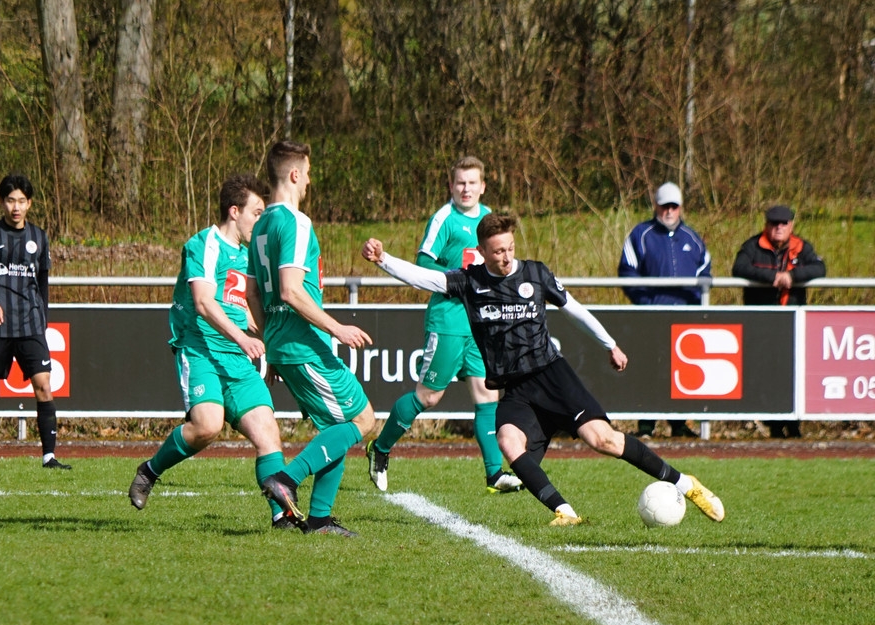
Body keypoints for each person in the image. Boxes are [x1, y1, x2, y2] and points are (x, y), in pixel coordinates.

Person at [362, 212, 725, 525]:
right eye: (498, 251)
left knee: (604, 440)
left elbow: (574, 308)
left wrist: (609, 343)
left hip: (552, 377)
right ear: (483, 251)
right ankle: (565, 511)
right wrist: (384, 260)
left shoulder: (535, 274)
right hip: (516, 389)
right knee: (507, 440)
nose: (506, 257)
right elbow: (422, 279)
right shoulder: (470, 281)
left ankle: (686, 484)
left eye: (510, 249)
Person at [127, 174, 301, 530]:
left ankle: (281, 516)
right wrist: (242, 339)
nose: (261, 219)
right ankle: (150, 470)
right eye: (256, 212)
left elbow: (250, 305)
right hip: (200, 348)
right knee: (207, 426)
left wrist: (272, 349)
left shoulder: (252, 256)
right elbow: (204, 304)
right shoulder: (204, 244)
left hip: (237, 356)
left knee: (268, 431)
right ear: (234, 212)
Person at [365, 156, 521, 495]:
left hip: (481, 324)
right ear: (451, 186)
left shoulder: (489, 219)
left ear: (483, 186)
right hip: (449, 320)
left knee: (487, 394)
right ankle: (380, 448)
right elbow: (423, 266)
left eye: (472, 183)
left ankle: (494, 474)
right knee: (429, 397)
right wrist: (459, 280)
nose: (466, 189)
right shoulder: (443, 219)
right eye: (460, 183)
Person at [245, 140, 376, 537]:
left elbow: (253, 295)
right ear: (295, 174)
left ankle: (319, 519)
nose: (310, 182)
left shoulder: (260, 225)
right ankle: (288, 479)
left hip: (285, 343)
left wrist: (273, 346)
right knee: (362, 419)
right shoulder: (295, 222)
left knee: (336, 425)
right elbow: (290, 290)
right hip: (304, 342)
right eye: (309, 173)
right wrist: (337, 328)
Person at [0, 173, 70, 470]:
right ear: (1, 202)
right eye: (10, 200)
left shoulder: (39, 237)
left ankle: (49, 457)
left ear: (29, 203)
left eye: (21, 201)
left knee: (44, 387)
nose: (15, 207)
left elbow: (43, 281)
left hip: (30, 324)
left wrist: (42, 317)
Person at [618, 182, 710, 439]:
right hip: (650, 317)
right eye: (664, 206)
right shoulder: (641, 234)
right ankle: (646, 425)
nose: (669, 211)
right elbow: (627, 270)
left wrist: (693, 304)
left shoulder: (692, 238)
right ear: (655, 206)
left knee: (681, 369)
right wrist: (646, 303)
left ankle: (679, 424)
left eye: (674, 206)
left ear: (680, 208)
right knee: (649, 367)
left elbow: (706, 272)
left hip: (684, 318)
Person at [732, 204, 826, 439]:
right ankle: (775, 425)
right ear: (766, 225)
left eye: (784, 224)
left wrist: (791, 277)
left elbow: (819, 268)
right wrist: (772, 277)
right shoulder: (752, 246)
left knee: (792, 374)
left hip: (792, 324)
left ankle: (794, 425)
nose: (779, 228)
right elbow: (739, 268)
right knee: (767, 374)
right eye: (774, 224)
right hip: (762, 325)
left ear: (791, 226)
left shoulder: (801, 247)